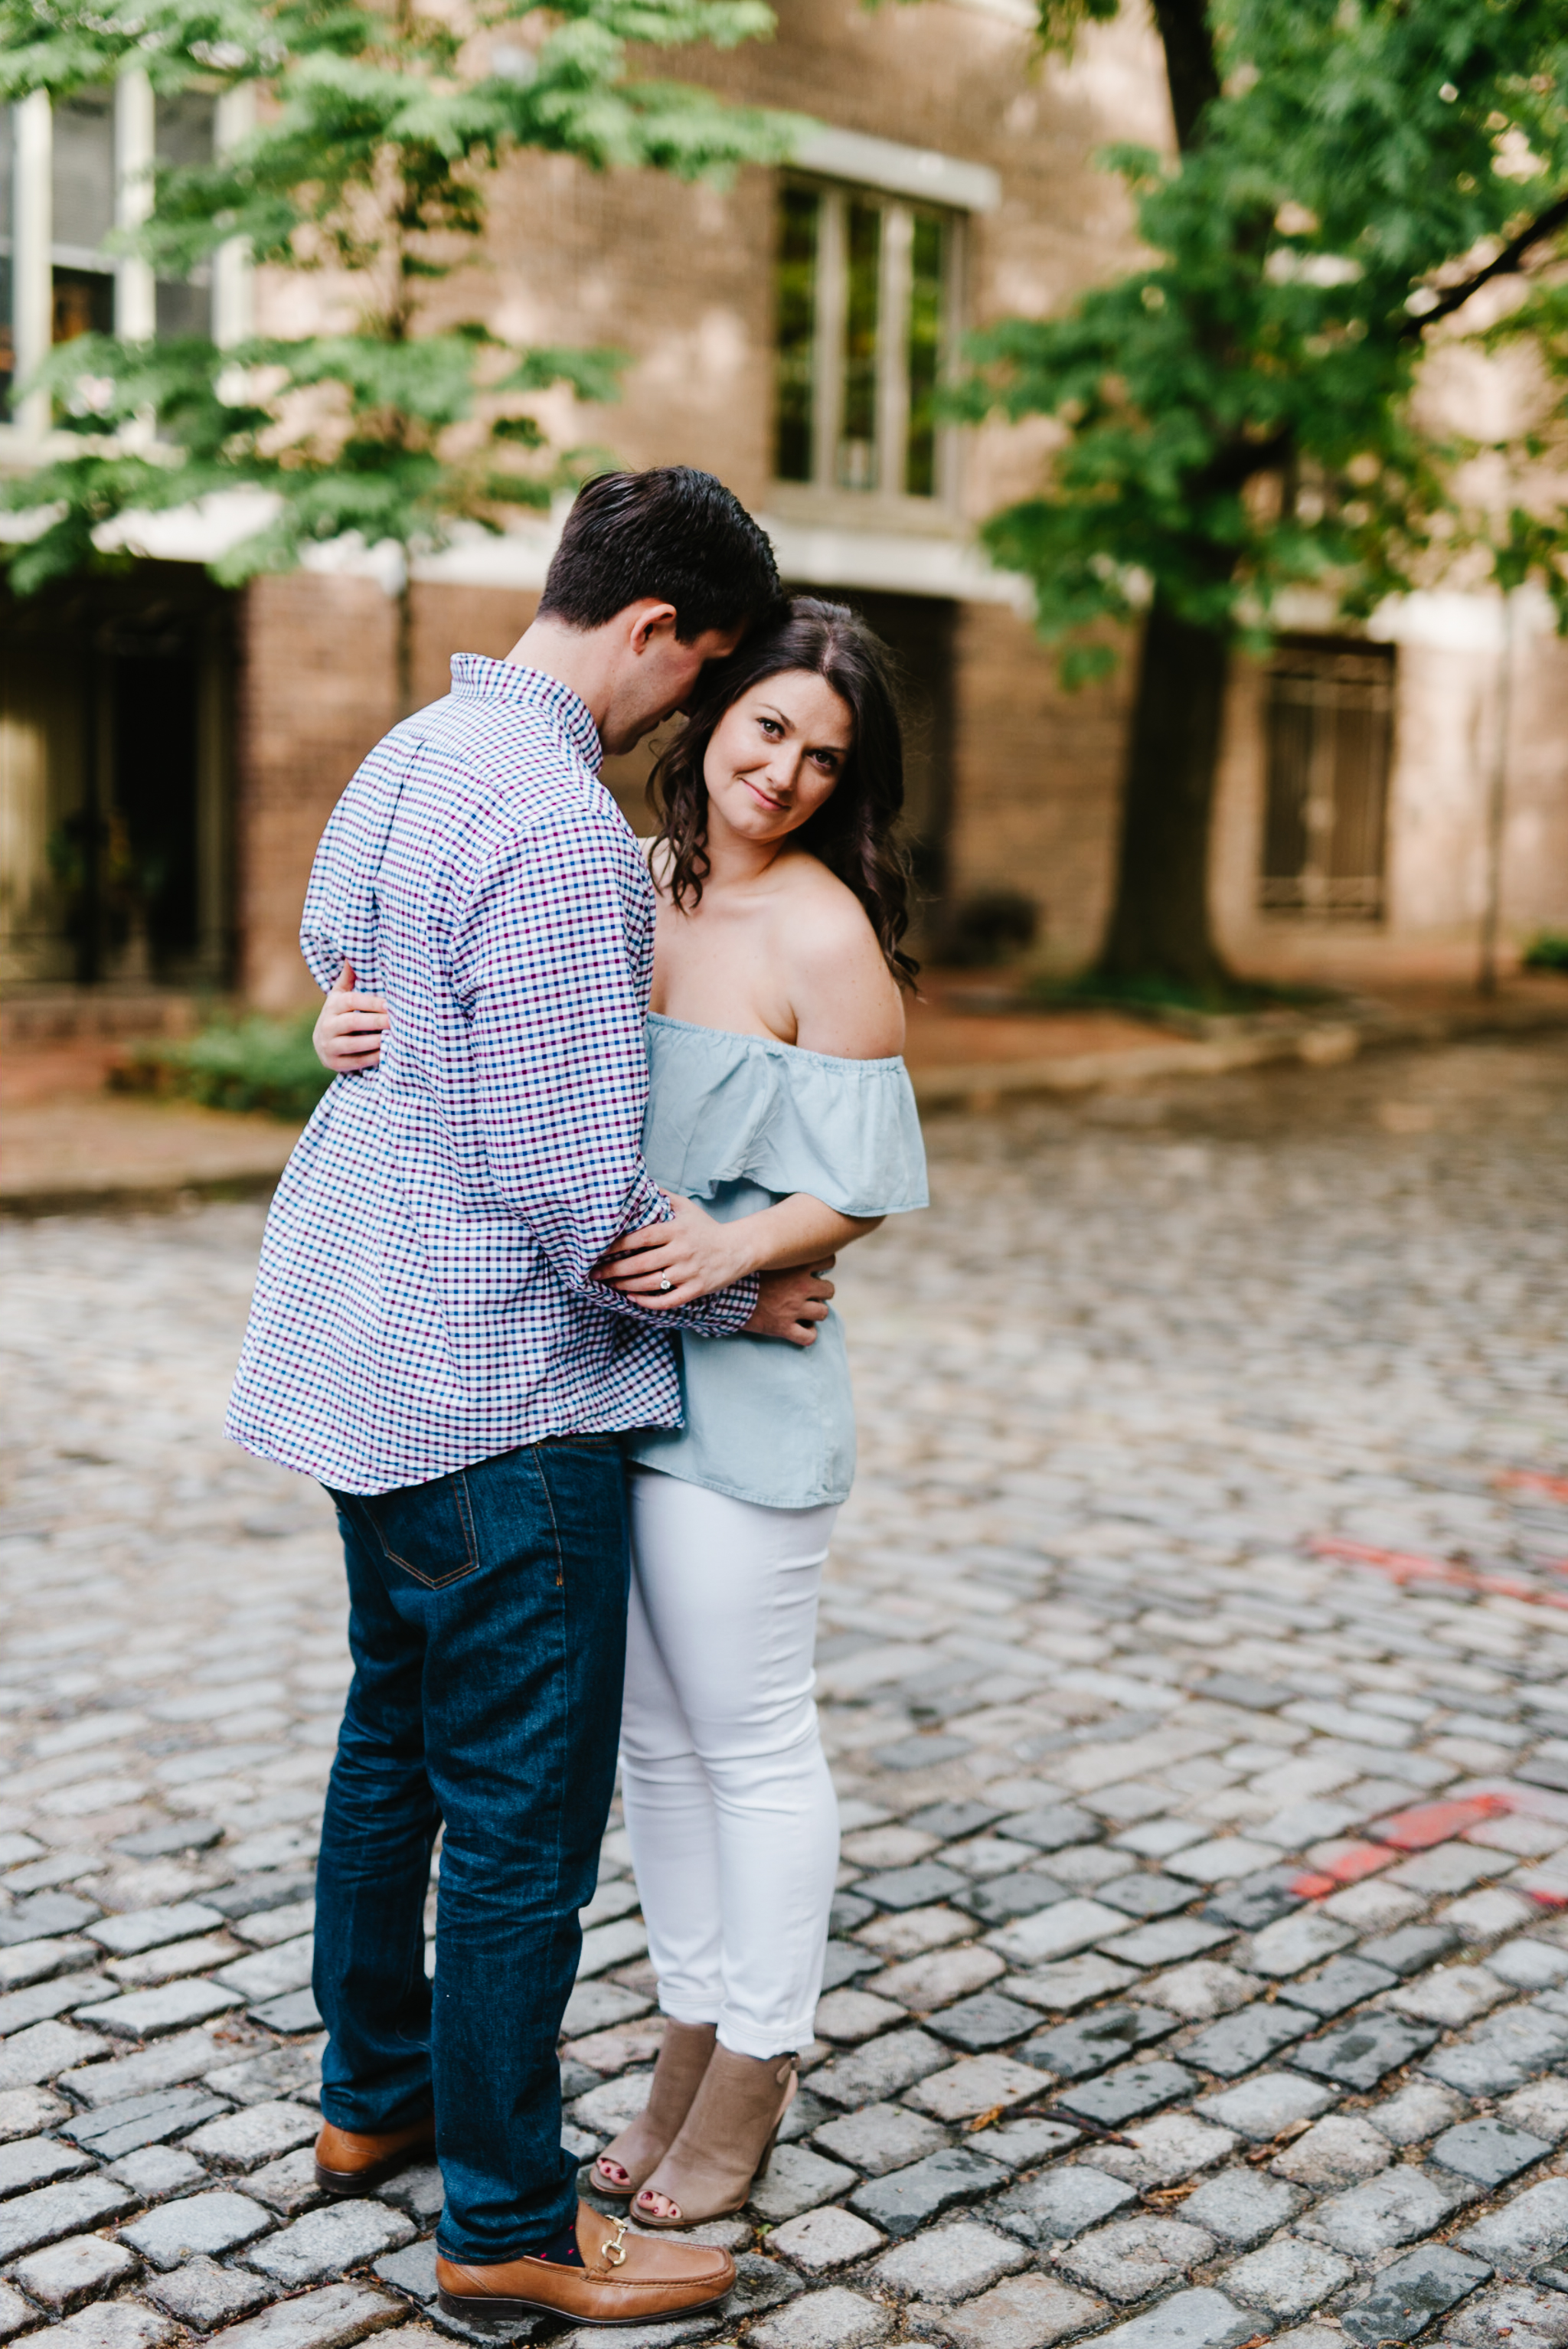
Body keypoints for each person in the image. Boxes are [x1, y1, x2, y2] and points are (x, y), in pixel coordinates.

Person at [225, 469, 828, 2331]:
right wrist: (736, 1291)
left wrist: (359, 1008)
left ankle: (370, 2101)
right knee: (514, 1825)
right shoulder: (564, 830)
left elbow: (337, 944)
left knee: (386, 1746)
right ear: (660, 633)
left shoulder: (415, 748)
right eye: (704, 672)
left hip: (354, 1349)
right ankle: (503, 2214)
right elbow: (575, 1182)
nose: (685, 709)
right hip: (497, 1395)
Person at [315, 594, 929, 2231]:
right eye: (767, 728)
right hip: (597, 1378)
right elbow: (475, 1054)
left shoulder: (822, 932)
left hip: (740, 1389)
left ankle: (754, 2074)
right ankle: (678, 2052)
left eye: (825, 754)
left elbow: (868, 1178)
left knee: (751, 1740)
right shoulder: (616, 884)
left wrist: (742, 1247)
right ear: (707, 711)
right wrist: (341, 1020)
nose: (787, 771)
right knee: (649, 1754)